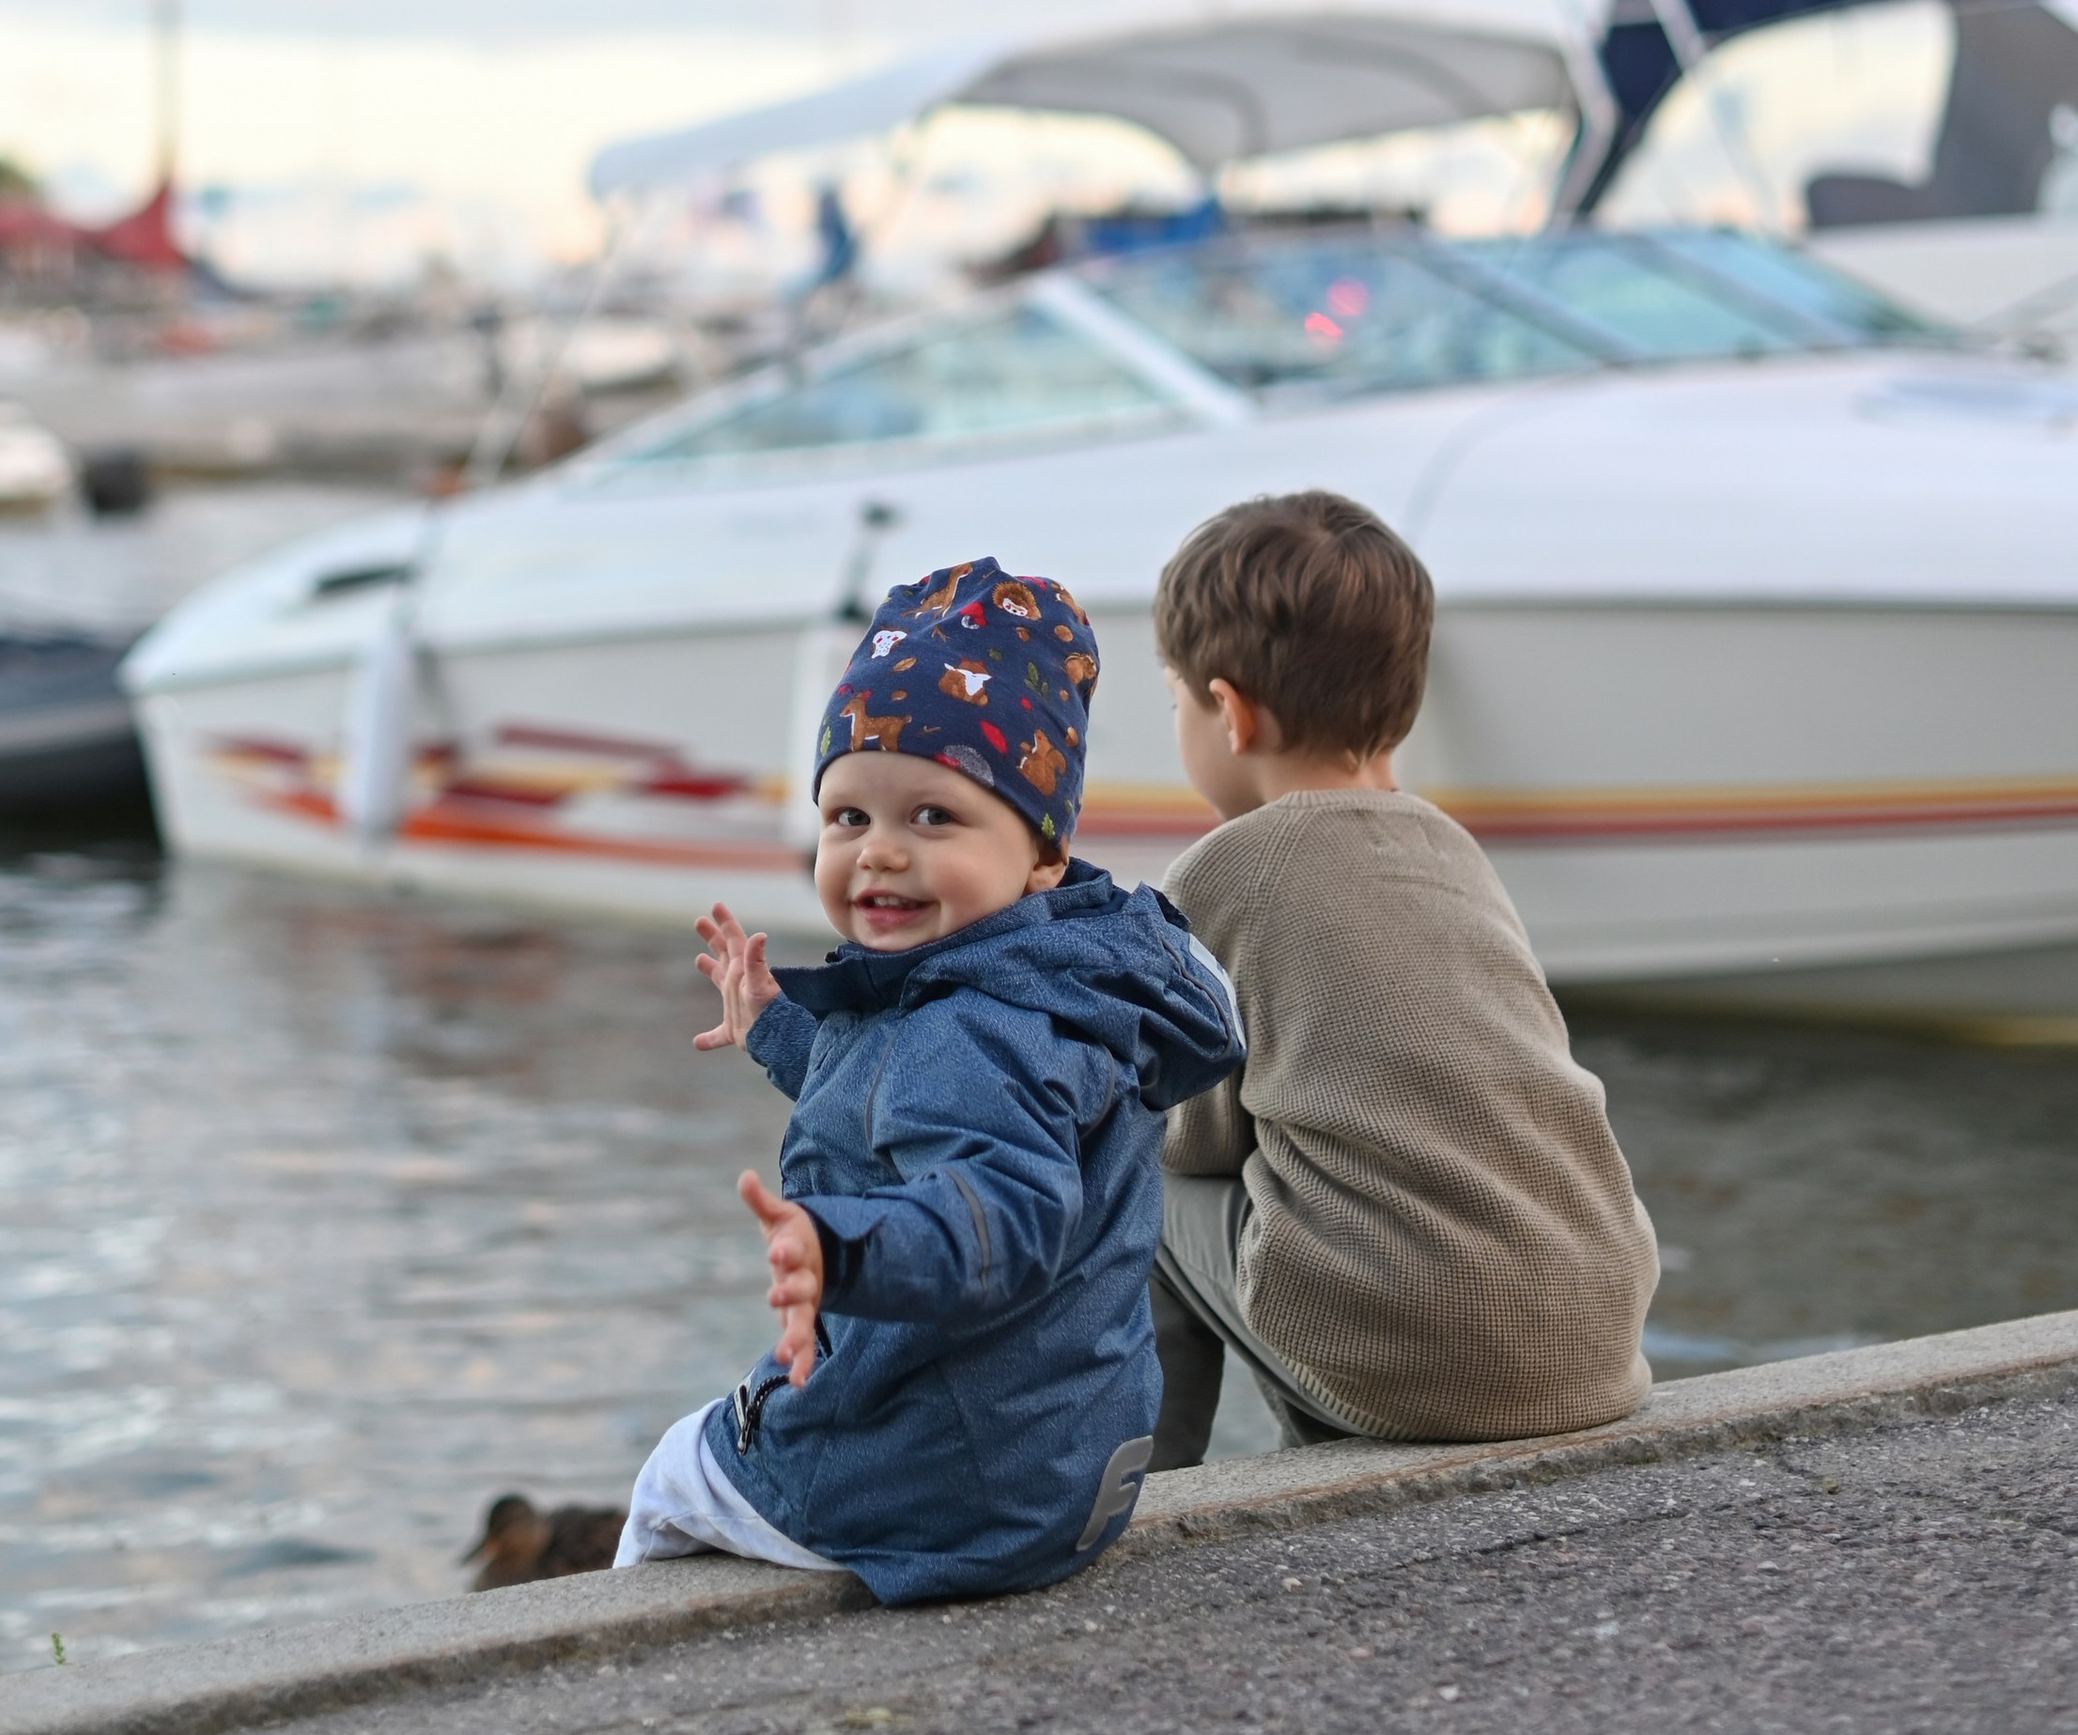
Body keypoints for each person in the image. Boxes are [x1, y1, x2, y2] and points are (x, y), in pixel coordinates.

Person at [615, 555, 1244, 1604]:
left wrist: (839, 1246)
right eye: (848, 817)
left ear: (1041, 853)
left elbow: (994, 1214)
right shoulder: (1058, 977)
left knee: (678, 1468)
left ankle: (618, 1682)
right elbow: (893, 1106)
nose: (880, 855)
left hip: (949, 1489)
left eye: (932, 817)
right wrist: (774, 1025)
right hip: (1069, 1466)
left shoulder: (970, 1028)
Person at [1146, 487, 1660, 1462]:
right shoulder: (1450, 850)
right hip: (1595, 1345)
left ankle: (1135, 1485)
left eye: (1173, 700)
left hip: (1423, 1359)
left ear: (1227, 710)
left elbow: (1192, 1130)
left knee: (1133, 1181)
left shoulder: (1226, 869)